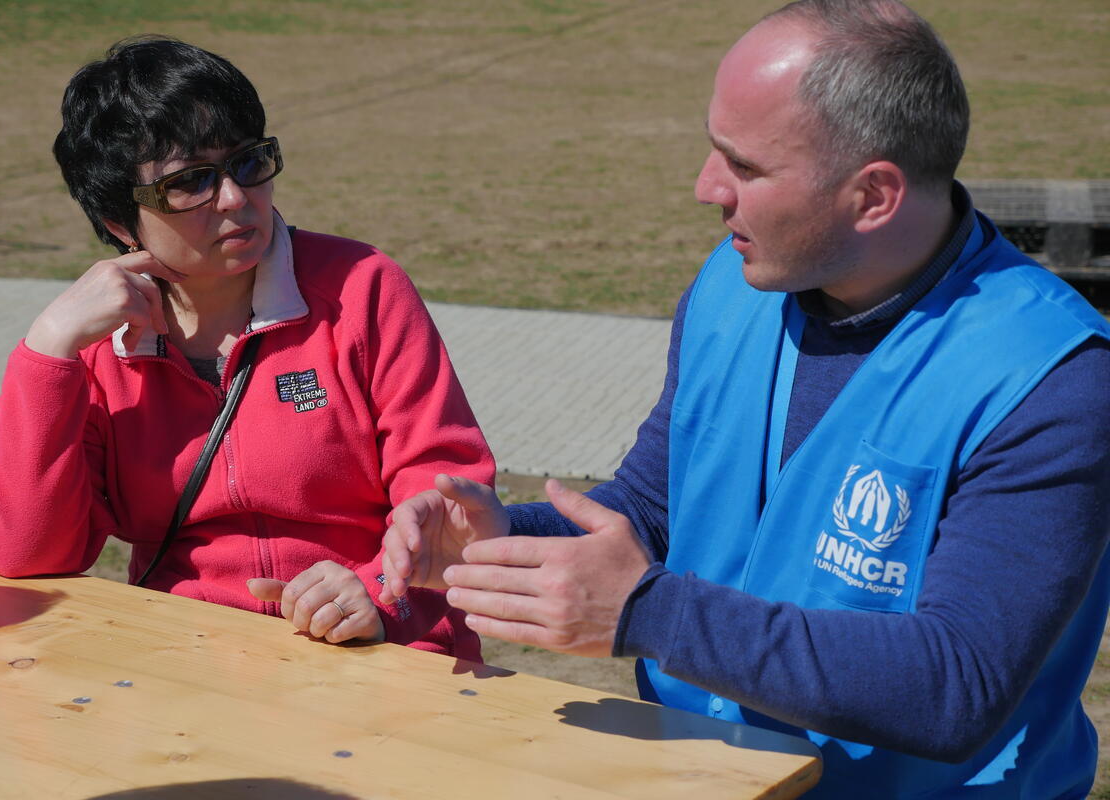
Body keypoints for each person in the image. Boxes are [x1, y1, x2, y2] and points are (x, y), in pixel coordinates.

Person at [379, 0, 1110, 795]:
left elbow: (955, 685)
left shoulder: (1050, 377)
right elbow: (657, 507)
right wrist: (502, 540)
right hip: (703, 775)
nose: (705, 188)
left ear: (874, 196)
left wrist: (647, 614)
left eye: (747, 167)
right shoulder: (737, 282)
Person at [0, 36, 494, 661]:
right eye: (191, 183)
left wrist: (378, 594)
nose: (237, 199)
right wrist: (46, 351)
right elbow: (25, 552)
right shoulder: (96, 345)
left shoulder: (363, 287)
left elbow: (446, 493)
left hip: (381, 652)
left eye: (247, 162)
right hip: (187, 665)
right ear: (117, 222)